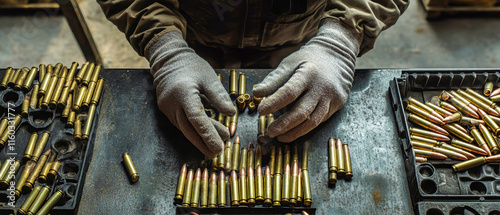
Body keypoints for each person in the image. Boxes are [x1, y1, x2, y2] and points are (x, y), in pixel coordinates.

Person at [97, 0, 409, 158]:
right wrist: (164, 47)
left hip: (301, 36)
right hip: (192, 32)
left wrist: (341, 38)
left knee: (292, 101)